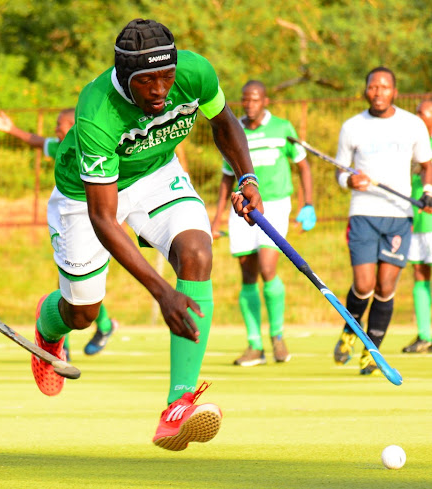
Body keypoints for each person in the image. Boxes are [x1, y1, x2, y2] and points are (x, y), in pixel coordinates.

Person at [29, 18, 262, 452]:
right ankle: (49, 323)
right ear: (122, 76)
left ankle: (178, 406)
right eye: (146, 81)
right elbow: (104, 218)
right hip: (86, 195)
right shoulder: (97, 110)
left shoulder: (196, 72)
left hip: (156, 173)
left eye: (166, 77)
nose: (159, 89)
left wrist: (247, 178)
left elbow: (224, 121)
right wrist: (162, 293)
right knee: (82, 312)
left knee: (197, 253)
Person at [0, 108, 119, 359]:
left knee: (74, 284)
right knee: (71, 284)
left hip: (96, 223)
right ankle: (90, 332)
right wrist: (10, 129)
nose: (56, 129)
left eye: (60, 125)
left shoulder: (92, 146)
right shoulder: (61, 146)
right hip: (71, 224)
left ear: (73, 125)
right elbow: (37, 141)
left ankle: (71, 339)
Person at [332, 67, 432, 375]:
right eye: (373, 87)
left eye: (384, 87)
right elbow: (340, 171)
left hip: (399, 216)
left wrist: (427, 192)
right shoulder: (352, 127)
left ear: (395, 92)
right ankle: (351, 330)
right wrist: (350, 182)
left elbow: (427, 164)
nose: (378, 92)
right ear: (365, 91)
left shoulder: (412, 124)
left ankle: (371, 350)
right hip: (363, 213)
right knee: (364, 285)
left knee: (385, 288)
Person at [210, 81, 314, 367]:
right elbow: (225, 178)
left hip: (275, 205)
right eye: (245, 100)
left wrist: (308, 203)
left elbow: (303, 165)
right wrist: (217, 217)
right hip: (241, 208)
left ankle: (277, 336)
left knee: (268, 268)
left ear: (265, 100)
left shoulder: (283, 128)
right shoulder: (233, 130)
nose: (250, 104)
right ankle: (254, 345)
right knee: (247, 274)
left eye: (255, 99)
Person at [404, 100, 432, 353]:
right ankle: (425, 335)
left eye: (422, 113)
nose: (417, 117)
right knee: (420, 273)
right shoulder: (413, 147)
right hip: (417, 221)